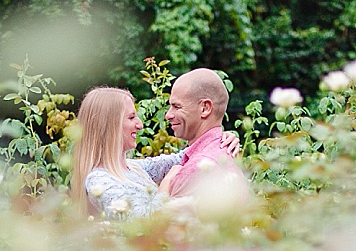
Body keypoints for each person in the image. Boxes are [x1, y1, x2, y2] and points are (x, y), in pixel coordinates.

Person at [69, 86, 239, 219]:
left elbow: (185, 156)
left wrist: (221, 137)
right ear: (108, 126)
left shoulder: (134, 168)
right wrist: (167, 183)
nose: (140, 125)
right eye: (131, 118)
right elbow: (141, 224)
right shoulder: (99, 180)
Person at [163, 68, 246, 197]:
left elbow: (164, 216)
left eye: (177, 107)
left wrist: (167, 182)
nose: (168, 115)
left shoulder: (199, 166)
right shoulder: (223, 152)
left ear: (205, 108)